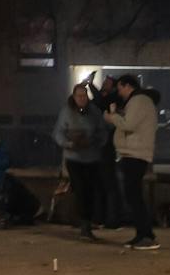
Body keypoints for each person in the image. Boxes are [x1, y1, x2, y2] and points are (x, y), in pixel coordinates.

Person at [103, 74, 160, 250]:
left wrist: (111, 117)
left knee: (133, 195)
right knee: (132, 195)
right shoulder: (141, 102)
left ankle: (146, 235)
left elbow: (128, 125)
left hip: (135, 154)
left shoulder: (138, 101)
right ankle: (143, 234)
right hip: (134, 153)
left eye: (120, 88)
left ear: (127, 86)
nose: (119, 93)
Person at [54, 83, 109, 241]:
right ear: (74, 96)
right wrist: (69, 143)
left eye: (84, 96)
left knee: (90, 190)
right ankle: (84, 223)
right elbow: (58, 133)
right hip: (74, 158)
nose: (82, 99)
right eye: (79, 96)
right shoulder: (66, 112)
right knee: (80, 189)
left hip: (91, 157)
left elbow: (103, 131)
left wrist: (95, 142)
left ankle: (87, 221)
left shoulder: (95, 112)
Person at [92, 76, 126, 229]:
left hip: (107, 146)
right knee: (100, 183)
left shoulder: (113, 99)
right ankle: (100, 217)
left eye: (107, 82)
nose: (104, 84)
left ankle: (112, 219)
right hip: (99, 145)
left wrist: (91, 86)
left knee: (109, 183)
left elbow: (101, 102)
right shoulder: (104, 99)